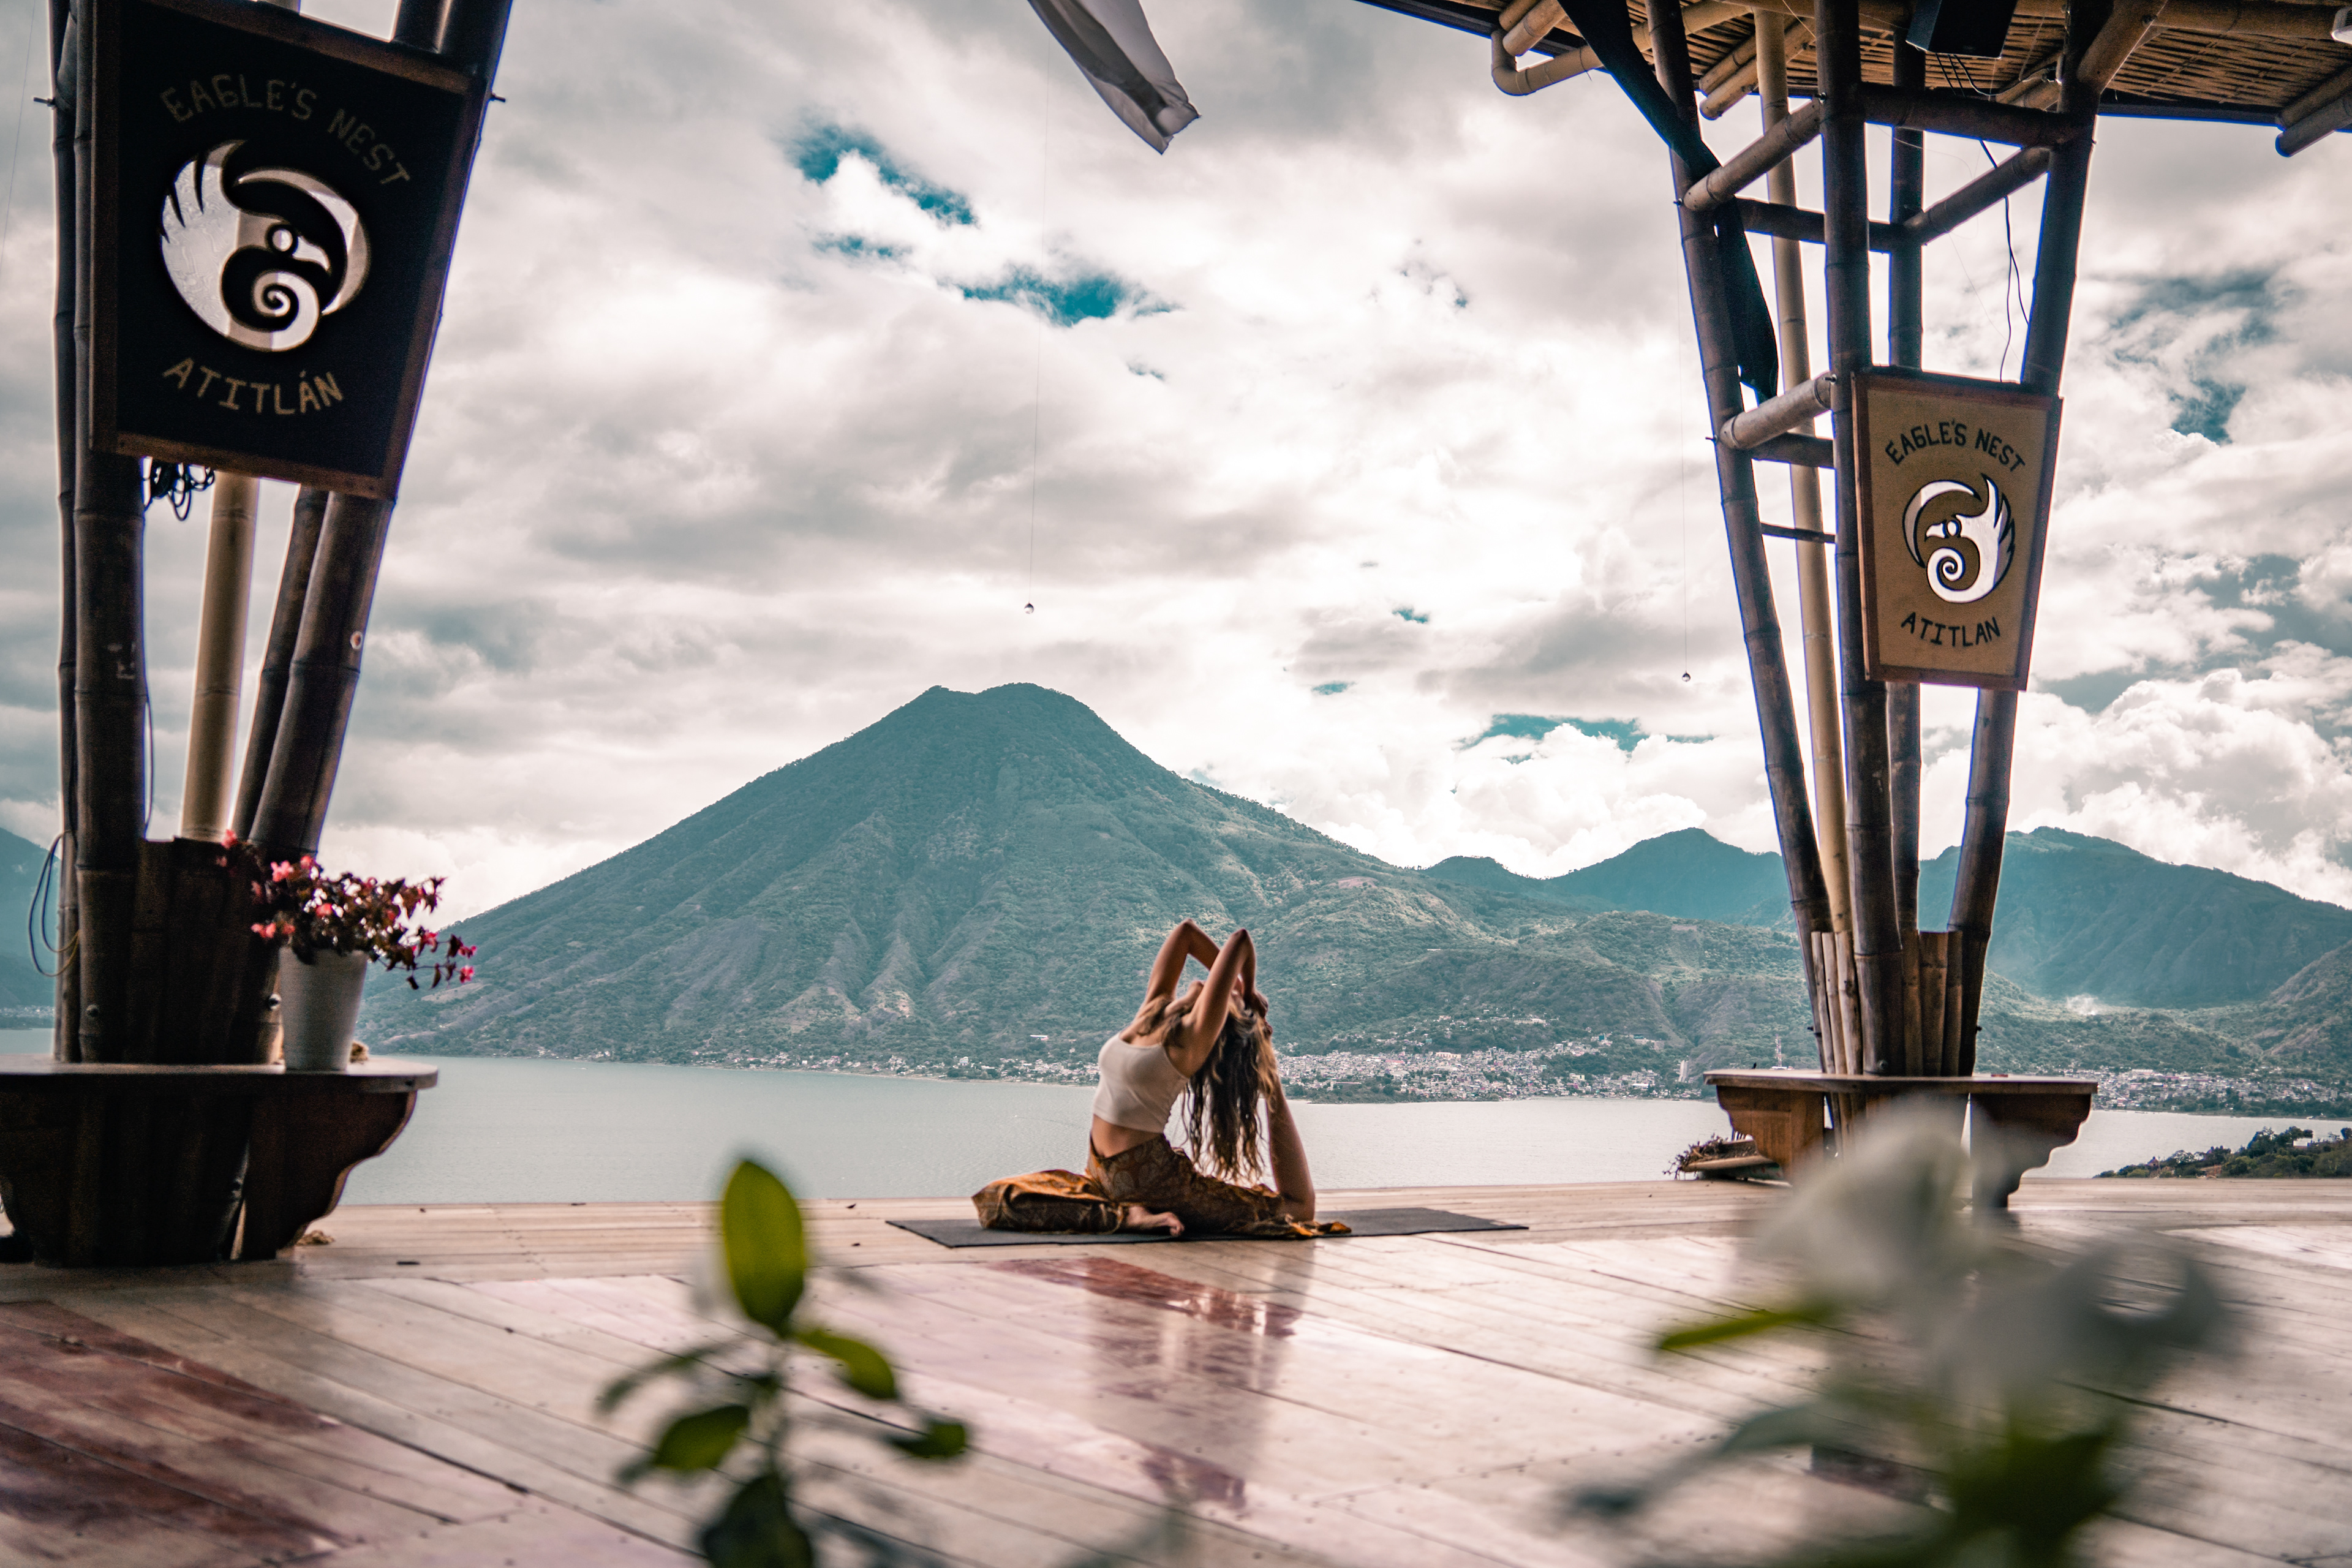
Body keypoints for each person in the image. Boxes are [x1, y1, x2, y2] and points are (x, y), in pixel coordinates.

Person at [973, 919, 1345, 1238]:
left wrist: (1246, 996)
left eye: (1220, 996)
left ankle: (1127, 1216)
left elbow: (1240, 941)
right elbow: (1185, 933)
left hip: (1151, 1180)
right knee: (998, 1197)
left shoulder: (1190, 1041)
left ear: (1216, 1020)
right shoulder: (1152, 1012)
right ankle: (1124, 1215)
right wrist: (1238, 991)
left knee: (1296, 1210)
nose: (1208, 982)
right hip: (1101, 1170)